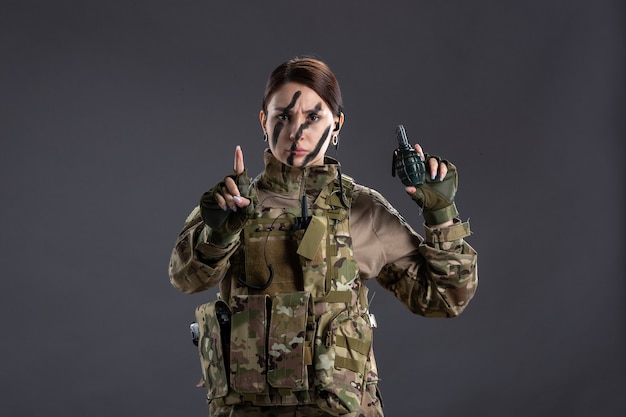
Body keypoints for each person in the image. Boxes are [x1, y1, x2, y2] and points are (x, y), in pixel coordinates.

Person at [168, 57, 478, 417]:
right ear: (263, 121)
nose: (296, 132)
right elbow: (184, 279)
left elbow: (444, 299)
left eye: (312, 118)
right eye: (282, 115)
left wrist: (440, 216)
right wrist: (218, 234)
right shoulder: (232, 204)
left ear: (336, 125)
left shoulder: (362, 209)